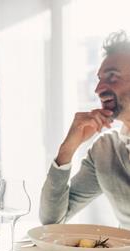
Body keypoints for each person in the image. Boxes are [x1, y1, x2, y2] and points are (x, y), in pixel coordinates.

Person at [40, 30, 130, 229]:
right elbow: (52, 221)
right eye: (99, 79)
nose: (98, 89)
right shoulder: (105, 150)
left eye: (112, 77)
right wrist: (67, 149)